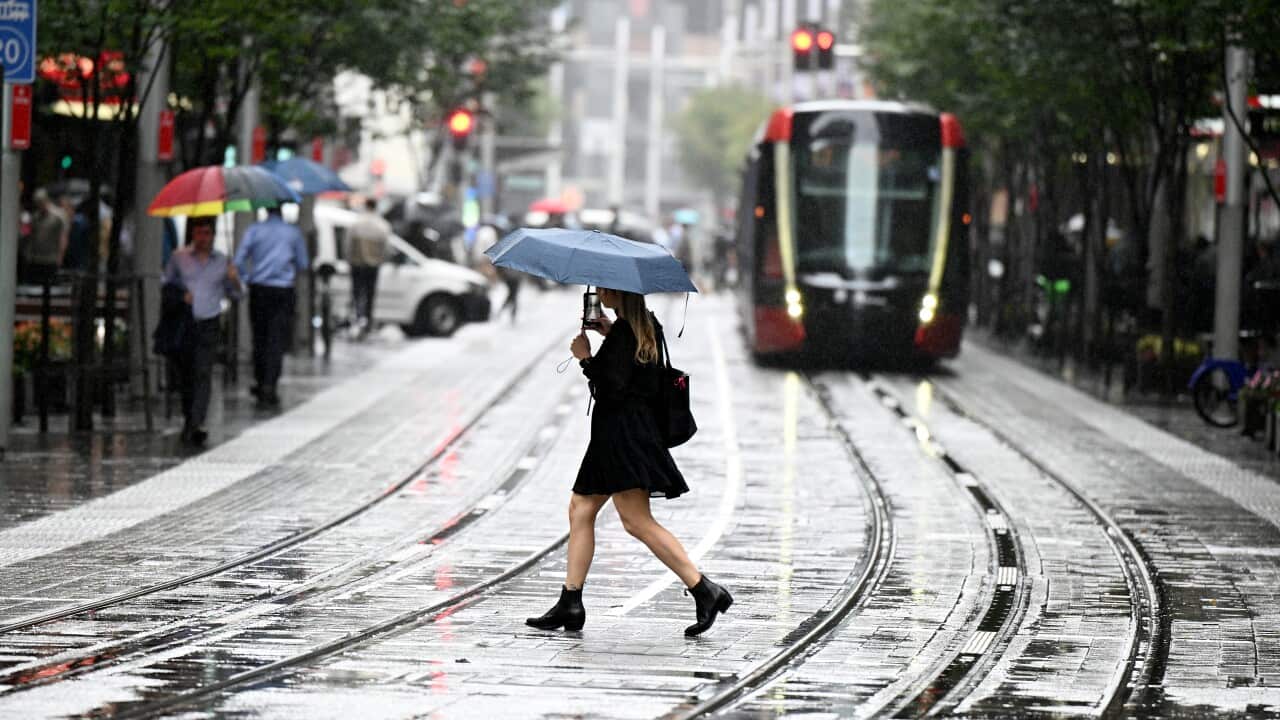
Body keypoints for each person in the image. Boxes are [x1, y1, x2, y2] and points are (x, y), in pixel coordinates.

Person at [526, 288, 733, 636]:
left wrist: (586, 358)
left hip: (622, 438)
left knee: (637, 521)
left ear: (617, 291)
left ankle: (704, 590)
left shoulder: (626, 332)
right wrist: (608, 336)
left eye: (603, 287)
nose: (598, 292)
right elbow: (635, 372)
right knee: (581, 509)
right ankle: (570, 601)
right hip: (625, 435)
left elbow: (613, 388)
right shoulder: (643, 325)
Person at [162, 216, 241, 445]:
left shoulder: (222, 261)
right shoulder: (179, 258)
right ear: (193, 234)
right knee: (187, 374)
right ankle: (190, 417)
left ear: (213, 235)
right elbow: (167, 285)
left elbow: (237, 295)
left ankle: (196, 422)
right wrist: (180, 296)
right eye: (198, 233)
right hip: (185, 324)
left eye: (207, 233)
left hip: (209, 322)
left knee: (203, 371)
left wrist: (234, 280)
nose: (202, 238)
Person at [234, 206, 309, 409]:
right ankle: (270, 385)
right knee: (277, 339)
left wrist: (247, 277)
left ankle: (260, 382)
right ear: (282, 210)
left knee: (259, 337)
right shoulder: (292, 233)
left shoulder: (254, 230)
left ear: (265, 210)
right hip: (283, 291)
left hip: (259, 289)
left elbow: (239, 260)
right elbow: (303, 263)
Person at [348, 197, 391, 338]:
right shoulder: (382, 226)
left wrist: (349, 259)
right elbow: (386, 249)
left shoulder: (356, 223)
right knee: (370, 295)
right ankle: (367, 323)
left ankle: (356, 319)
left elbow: (348, 246)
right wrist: (380, 260)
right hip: (373, 266)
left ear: (365, 206)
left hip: (357, 264)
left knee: (356, 293)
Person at [21, 189, 67, 285]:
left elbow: (62, 237)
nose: (39, 205)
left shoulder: (57, 217)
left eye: (41, 202)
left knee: (49, 286)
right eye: (37, 203)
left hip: (51, 258)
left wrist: (60, 256)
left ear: (46, 201)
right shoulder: (35, 217)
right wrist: (28, 253)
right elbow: (29, 235)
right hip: (36, 258)